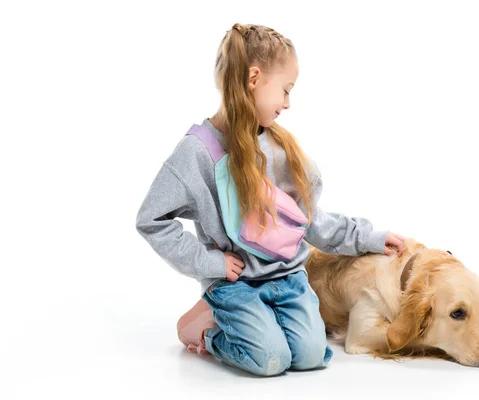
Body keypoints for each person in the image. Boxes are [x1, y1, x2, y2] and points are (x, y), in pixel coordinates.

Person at [135, 22, 405, 377]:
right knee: (270, 361)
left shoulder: (281, 149)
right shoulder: (197, 153)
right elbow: (151, 220)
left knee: (311, 356)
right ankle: (204, 326)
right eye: (286, 90)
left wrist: (367, 237)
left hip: (288, 276)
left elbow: (308, 220)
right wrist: (209, 263)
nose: (288, 104)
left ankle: (263, 322)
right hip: (236, 284)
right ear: (254, 78)